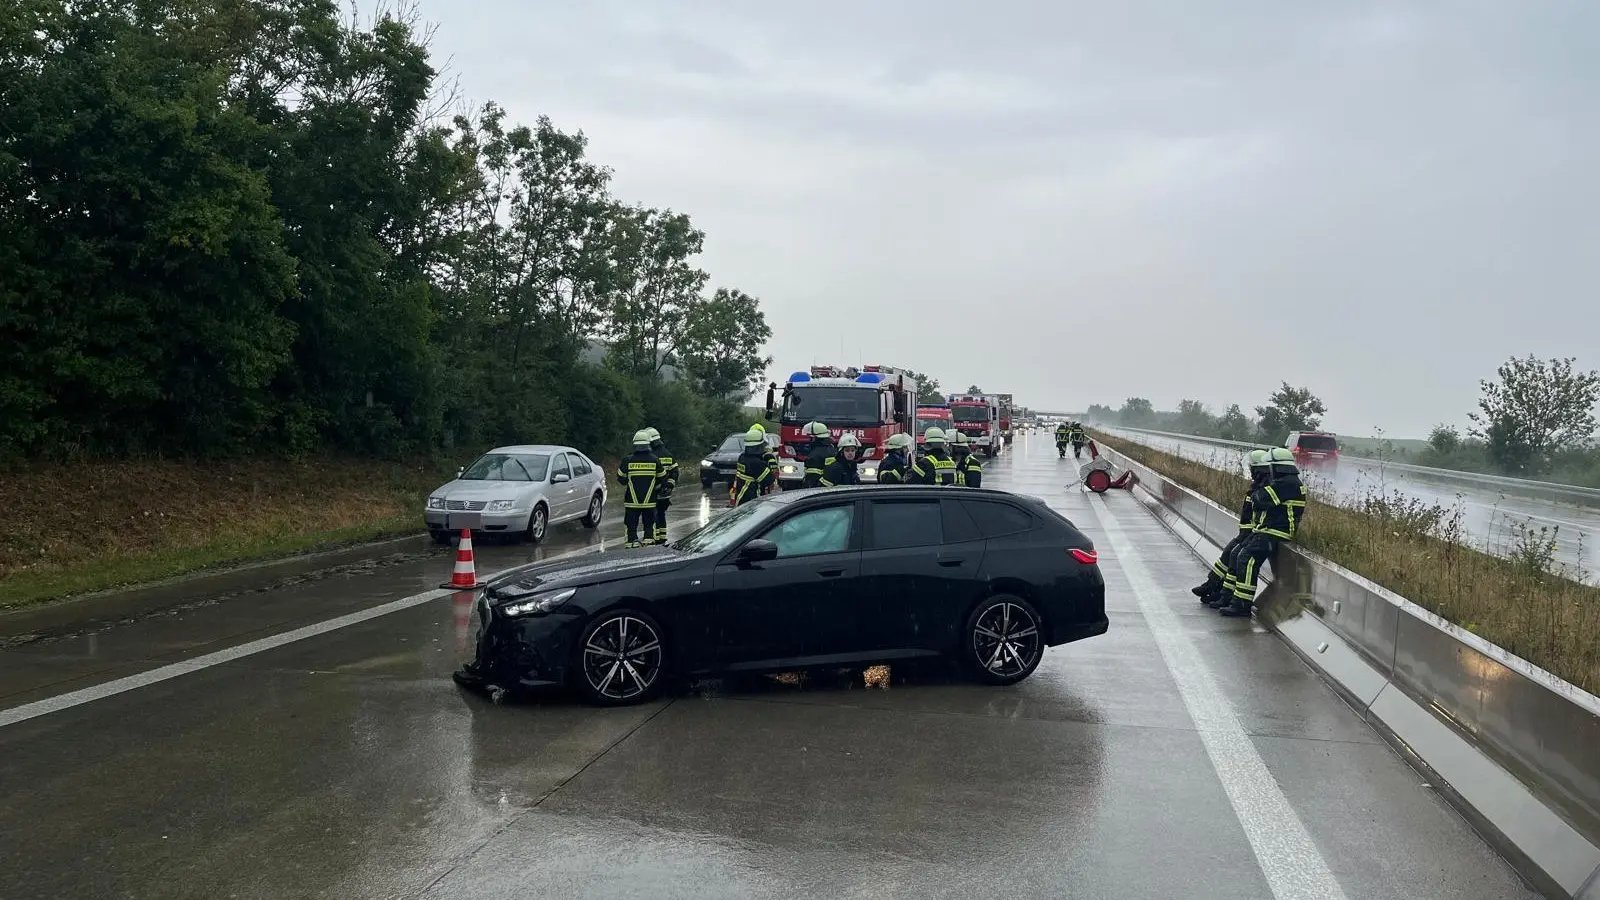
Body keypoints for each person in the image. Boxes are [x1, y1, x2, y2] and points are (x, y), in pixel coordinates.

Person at [1218, 447, 1308, 617]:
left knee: (1247, 558)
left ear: (1276, 466)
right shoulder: (1284, 483)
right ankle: (1230, 598)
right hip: (1268, 530)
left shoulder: (1288, 484)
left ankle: (1242, 605)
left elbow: (1260, 500)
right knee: (1238, 554)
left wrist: (1260, 488)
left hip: (1277, 532)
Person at [1192, 449, 1270, 605]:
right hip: (1247, 531)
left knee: (1234, 555)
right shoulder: (1258, 485)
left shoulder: (1265, 488)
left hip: (1252, 532)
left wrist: (1249, 532)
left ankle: (1222, 591)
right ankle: (1213, 585)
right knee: (1228, 553)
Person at [617, 430, 663, 547]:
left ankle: (631, 545)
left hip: (631, 502)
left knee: (631, 526)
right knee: (649, 526)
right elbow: (662, 477)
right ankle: (648, 546)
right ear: (648, 444)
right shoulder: (654, 460)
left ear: (635, 444)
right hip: (650, 502)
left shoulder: (627, 460)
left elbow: (621, 478)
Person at [645, 427, 678, 543]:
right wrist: (669, 486)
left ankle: (654, 540)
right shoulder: (668, 455)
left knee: (652, 516)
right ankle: (662, 538)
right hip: (665, 493)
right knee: (661, 514)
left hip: (653, 492)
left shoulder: (650, 455)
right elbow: (675, 473)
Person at [732, 427, 777, 506]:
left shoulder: (742, 457)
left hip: (740, 501)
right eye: (763, 445)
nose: (764, 448)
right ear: (758, 447)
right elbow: (769, 480)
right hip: (752, 503)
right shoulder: (757, 464)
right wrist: (770, 461)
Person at [801, 421, 836, 488]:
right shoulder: (832, 449)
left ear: (815, 438)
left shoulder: (814, 455)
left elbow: (811, 478)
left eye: (810, 438)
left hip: (817, 489)